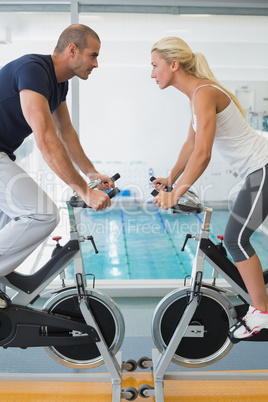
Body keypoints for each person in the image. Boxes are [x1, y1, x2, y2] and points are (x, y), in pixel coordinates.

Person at [150, 36, 268, 340]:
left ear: (173, 65)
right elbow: (190, 144)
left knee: (235, 238)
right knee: (237, 238)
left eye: (155, 65)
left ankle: (261, 313)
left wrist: (175, 194)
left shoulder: (203, 93)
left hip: (263, 168)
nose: (152, 74)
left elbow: (203, 153)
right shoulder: (197, 95)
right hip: (257, 171)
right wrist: (171, 179)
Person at [0, 24, 114, 292]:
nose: (96, 64)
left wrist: (91, 173)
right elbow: (47, 140)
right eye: (93, 55)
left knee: (10, 230)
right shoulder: (33, 70)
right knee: (42, 214)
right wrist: (84, 191)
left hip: (3, 153)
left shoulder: (59, 85)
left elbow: (66, 133)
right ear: (72, 50)